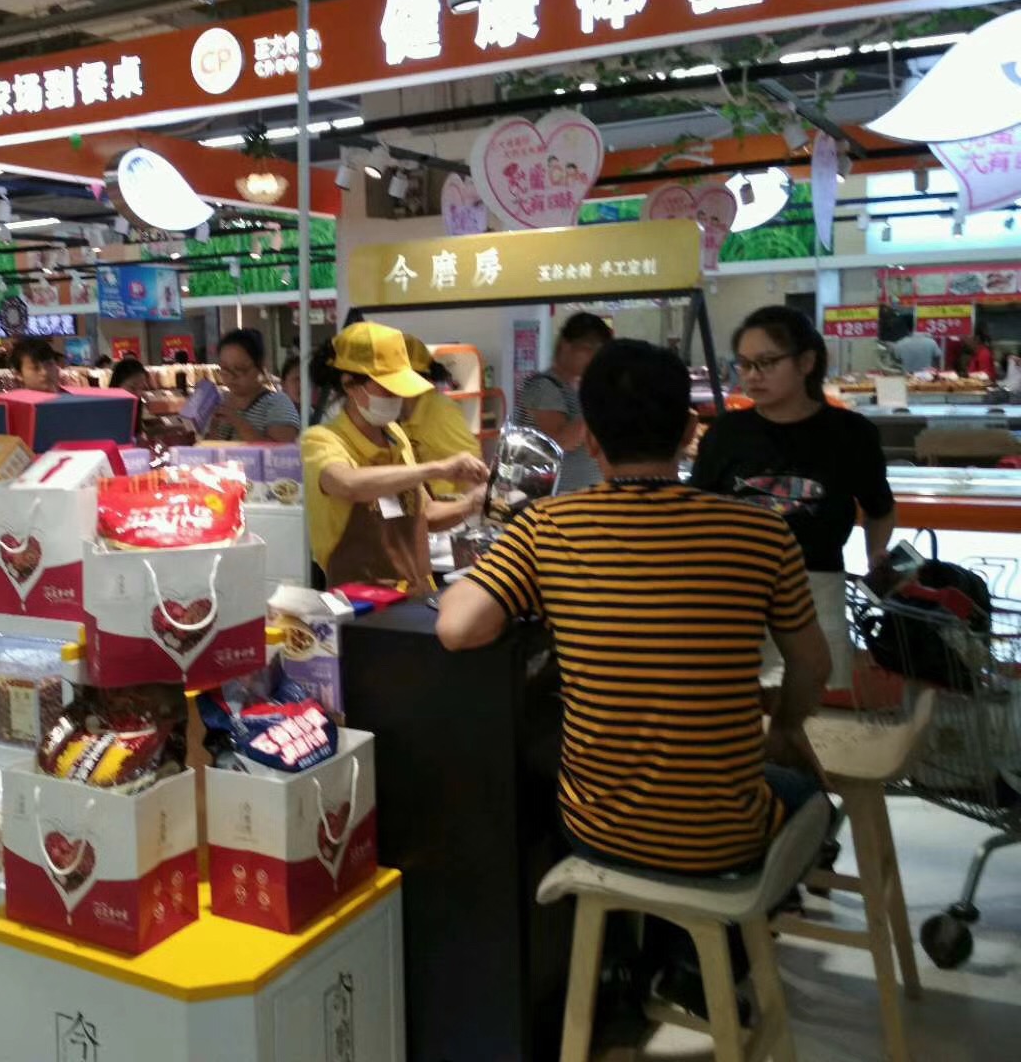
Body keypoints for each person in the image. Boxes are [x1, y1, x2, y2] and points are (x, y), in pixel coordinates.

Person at [438, 339, 831, 872]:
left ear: (591, 440)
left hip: (598, 830)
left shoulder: (546, 527)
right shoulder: (762, 532)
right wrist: (782, 725)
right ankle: (758, 911)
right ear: (690, 431)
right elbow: (812, 667)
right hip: (729, 838)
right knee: (808, 791)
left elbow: (458, 628)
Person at [691, 305, 895, 695]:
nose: (752, 375)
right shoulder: (726, 433)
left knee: (809, 705)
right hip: (736, 593)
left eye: (766, 362)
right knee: (740, 704)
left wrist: (876, 555)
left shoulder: (850, 433)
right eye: (744, 364)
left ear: (806, 362)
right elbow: (700, 511)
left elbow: (880, 508)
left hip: (817, 589)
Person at [302, 322, 489, 591]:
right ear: (350, 385)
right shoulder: (322, 440)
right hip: (362, 601)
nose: (397, 397)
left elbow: (426, 515)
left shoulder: (395, 436)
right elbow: (348, 483)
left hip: (414, 595)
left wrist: (472, 503)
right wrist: (437, 468)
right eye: (387, 389)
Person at [517, 312, 613, 493]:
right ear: (566, 345)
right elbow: (558, 442)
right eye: (589, 348)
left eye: (600, 351)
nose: (595, 357)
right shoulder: (543, 386)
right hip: (555, 495)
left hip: (585, 493)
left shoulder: (581, 388)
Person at [400, 334, 482, 498]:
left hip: (445, 504)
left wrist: (470, 506)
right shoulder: (393, 416)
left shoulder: (440, 411)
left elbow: (473, 470)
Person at [208, 328, 300, 443]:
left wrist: (238, 422)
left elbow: (283, 449)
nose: (231, 377)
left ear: (259, 367)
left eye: (239, 369)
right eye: (225, 369)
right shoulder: (220, 401)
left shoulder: (277, 403)